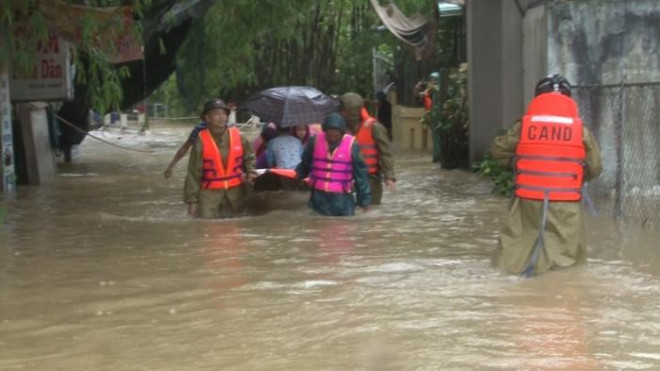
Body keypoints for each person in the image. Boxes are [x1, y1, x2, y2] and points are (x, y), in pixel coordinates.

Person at [490, 74, 603, 276]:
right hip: (565, 201)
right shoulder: (580, 130)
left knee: (516, 246)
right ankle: (555, 295)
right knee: (564, 256)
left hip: (528, 199)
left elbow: (498, 150)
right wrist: (572, 175)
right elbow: (595, 167)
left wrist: (521, 166)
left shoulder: (524, 126)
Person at [183, 99, 257, 219]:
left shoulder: (238, 136)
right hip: (209, 195)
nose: (221, 117)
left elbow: (250, 157)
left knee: (238, 225)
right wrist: (192, 202)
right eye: (217, 114)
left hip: (236, 192)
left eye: (224, 114)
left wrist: (251, 173)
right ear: (207, 118)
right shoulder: (200, 140)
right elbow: (193, 173)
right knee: (206, 225)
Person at [296, 113, 371, 216]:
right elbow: (305, 163)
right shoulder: (314, 141)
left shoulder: (353, 145)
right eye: (329, 136)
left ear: (342, 133)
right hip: (319, 196)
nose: (333, 139)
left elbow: (361, 175)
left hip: (342, 198)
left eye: (336, 136)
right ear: (325, 132)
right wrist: (299, 175)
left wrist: (364, 201)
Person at [339, 92, 396, 205]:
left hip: (371, 180)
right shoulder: (338, 128)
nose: (341, 111)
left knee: (370, 210)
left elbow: (385, 153)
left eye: (343, 108)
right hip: (345, 179)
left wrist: (389, 176)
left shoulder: (375, 127)